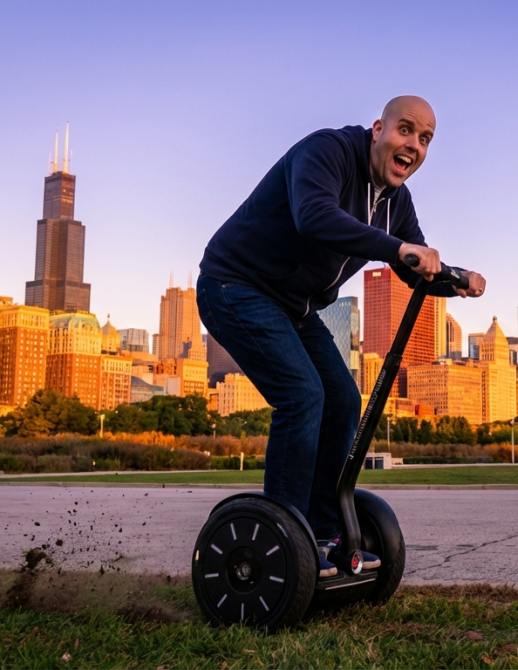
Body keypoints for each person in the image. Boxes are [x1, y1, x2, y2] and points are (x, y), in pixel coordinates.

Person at [196, 96, 486, 578]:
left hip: (295, 307)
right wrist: (401, 249)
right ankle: (285, 536)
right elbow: (316, 217)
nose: (413, 145)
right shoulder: (327, 151)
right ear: (378, 129)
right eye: (405, 130)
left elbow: (412, 266)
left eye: (425, 138)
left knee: (344, 400)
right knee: (302, 395)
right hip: (235, 285)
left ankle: (326, 533)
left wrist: (456, 279)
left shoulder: (395, 202)